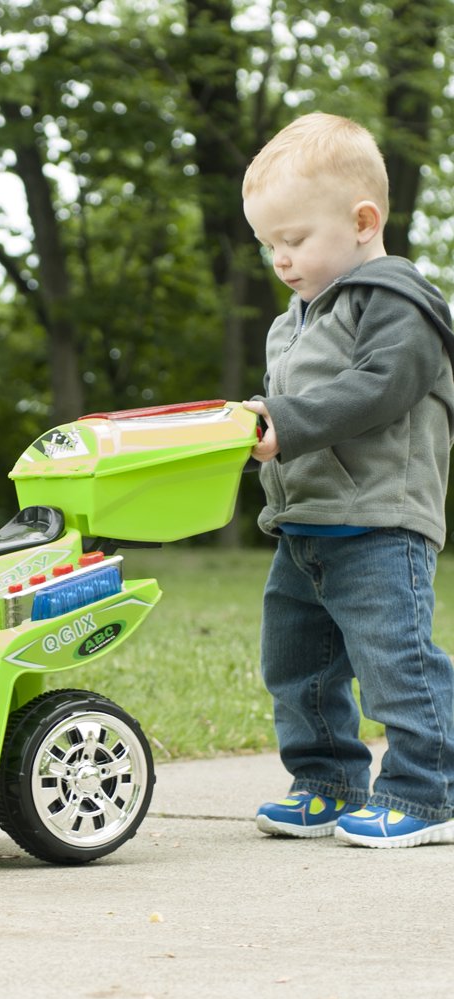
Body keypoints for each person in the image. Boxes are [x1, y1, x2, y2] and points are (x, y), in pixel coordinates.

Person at [240, 112, 454, 848]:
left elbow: (380, 388)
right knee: (297, 664)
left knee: (395, 661)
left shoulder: (397, 302)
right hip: (306, 526)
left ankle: (429, 793)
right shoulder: (293, 321)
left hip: (380, 523)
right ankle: (327, 782)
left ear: (363, 221)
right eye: (270, 244)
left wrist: (287, 420)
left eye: (294, 240)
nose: (281, 259)